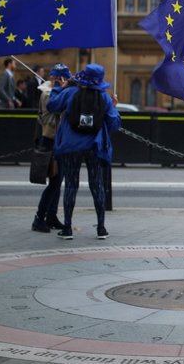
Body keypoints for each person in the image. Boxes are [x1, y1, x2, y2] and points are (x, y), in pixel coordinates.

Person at [46, 63, 121, 240]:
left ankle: (67, 228)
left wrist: (59, 88)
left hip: (71, 146)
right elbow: (114, 125)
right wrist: (114, 107)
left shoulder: (70, 92)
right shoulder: (104, 98)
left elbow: (52, 106)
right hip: (94, 147)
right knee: (97, 185)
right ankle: (101, 228)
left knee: (71, 185)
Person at [31, 63, 71, 234]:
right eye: (65, 78)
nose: (67, 81)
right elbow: (56, 107)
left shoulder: (57, 91)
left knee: (58, 181)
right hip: (51, 140)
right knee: (54, 183)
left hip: (59, 141)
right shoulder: (47, 93)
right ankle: (39, 218)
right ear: (57, 79)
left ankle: (51, 216)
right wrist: (61, 89)